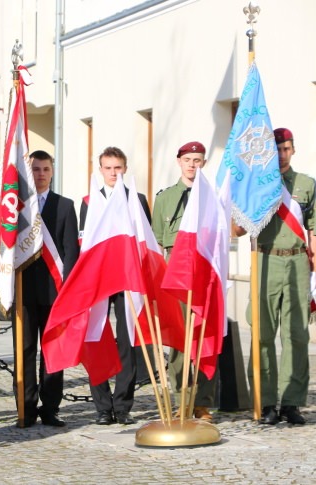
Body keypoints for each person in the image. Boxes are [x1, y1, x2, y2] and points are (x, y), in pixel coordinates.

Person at [236, 128, 315, 425]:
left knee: (296, 335)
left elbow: (313, 228)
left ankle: (292, 402)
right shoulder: (257, 185)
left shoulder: (306, 183)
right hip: (265, 259)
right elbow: (238, 230)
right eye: (277, 149)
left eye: (286, 149)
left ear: (293, 150)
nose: (282, 154)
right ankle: (265, 401)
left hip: (296, 261)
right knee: (263, 334)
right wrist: (250, 203)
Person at [80, 146, 150, 425]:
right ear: (100, 170)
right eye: (108, 168)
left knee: (128, 340)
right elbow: (83, 242)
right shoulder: (88, 202)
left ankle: (122, 406)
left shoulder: (138, 199)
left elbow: (146, 241)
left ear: (125, 168)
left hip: (127, 279)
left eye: (118, 168)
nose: (113, 173)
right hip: (98, 280)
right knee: (95, 337)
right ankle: (101, 407)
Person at [151, 141, 216, 421]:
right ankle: (181, 401)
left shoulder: (211, 197)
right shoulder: (165, 199)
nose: (192, 164)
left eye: (198, 160)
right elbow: (155, 242)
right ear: (179, 161)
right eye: (188, 159)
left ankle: (202, 403)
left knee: (204, 337)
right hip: (173, 277)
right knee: (178, 343)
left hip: (203, 277)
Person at [17, 150, 79, 427]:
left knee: (53, 350)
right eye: (36, 170)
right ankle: (26, 407)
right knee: (26, 349)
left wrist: (69, 290)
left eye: (45, 169)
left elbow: (70, 252)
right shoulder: (19, 206)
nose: (41, 174)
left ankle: (50, 407)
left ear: (52, 172)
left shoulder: (65, 206)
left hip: (56, 291)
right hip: (25, 291)